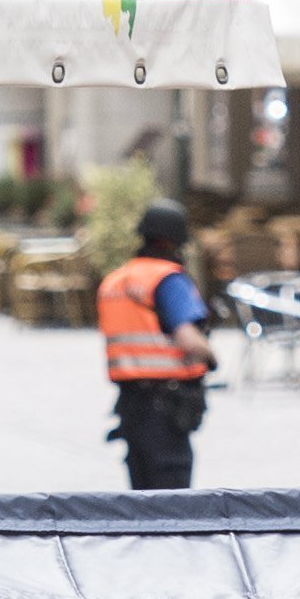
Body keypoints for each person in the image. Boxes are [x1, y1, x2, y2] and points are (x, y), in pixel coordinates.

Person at [96, 199, 217, 489]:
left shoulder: (115, 281)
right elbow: (188, 338)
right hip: (166, 407)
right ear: (174, 241)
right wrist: (211, 357)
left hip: (130, 405)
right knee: (172, 503)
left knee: (143, 500)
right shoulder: (167, 280)